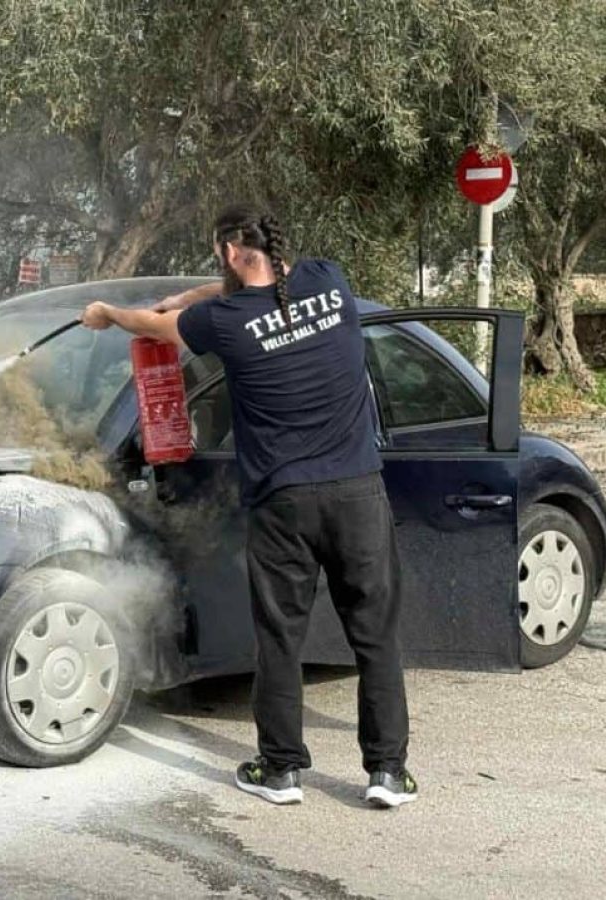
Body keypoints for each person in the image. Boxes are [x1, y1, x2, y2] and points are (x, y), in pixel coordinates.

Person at [81, 205, 416, 809]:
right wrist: (195, 290)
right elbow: (265, 283)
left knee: (281, 638)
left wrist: (106, 314)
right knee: (375, 637)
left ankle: (281, 770)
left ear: (233, 253)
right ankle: (387, 773)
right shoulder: (328, 282)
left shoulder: (224, 322)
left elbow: (151, 327)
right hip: (358, 494)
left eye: (220, 255)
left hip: (284, 503)